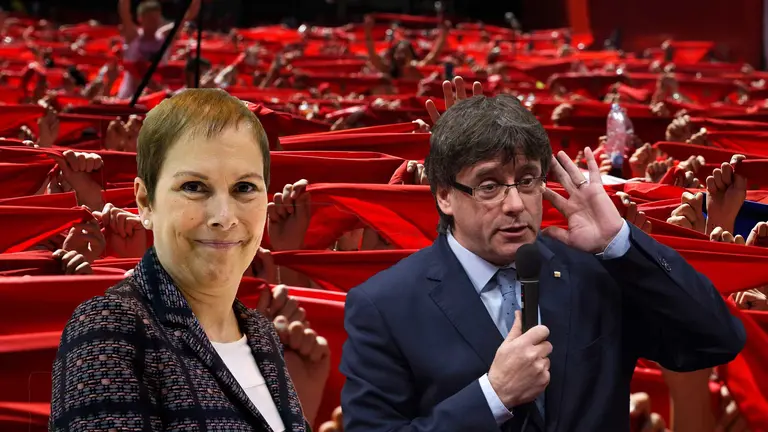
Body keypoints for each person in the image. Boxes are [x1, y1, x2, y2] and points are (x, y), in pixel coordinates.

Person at [339, 78, 746, 432]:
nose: (515, 204)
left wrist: (618, 241)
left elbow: (717, 340)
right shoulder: (383, 306)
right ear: (445, 195)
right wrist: (492, 396)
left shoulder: (597, 273)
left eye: (527, 180)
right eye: (489, 186)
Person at [49, 89, 329, 431]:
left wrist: (305, 407)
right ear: (145, 202)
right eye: (194, 187)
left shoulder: (263, 337)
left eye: (244, 188)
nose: (224, 217)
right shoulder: (108, 328)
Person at [116, 0, 201, 99]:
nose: (154, 21)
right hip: (130, 95)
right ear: (140, 18)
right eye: (150, 18)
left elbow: (188, 16)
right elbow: (124, 11)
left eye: (156, 18)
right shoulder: (133, 36)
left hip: (156, 94)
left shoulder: (164, 37)